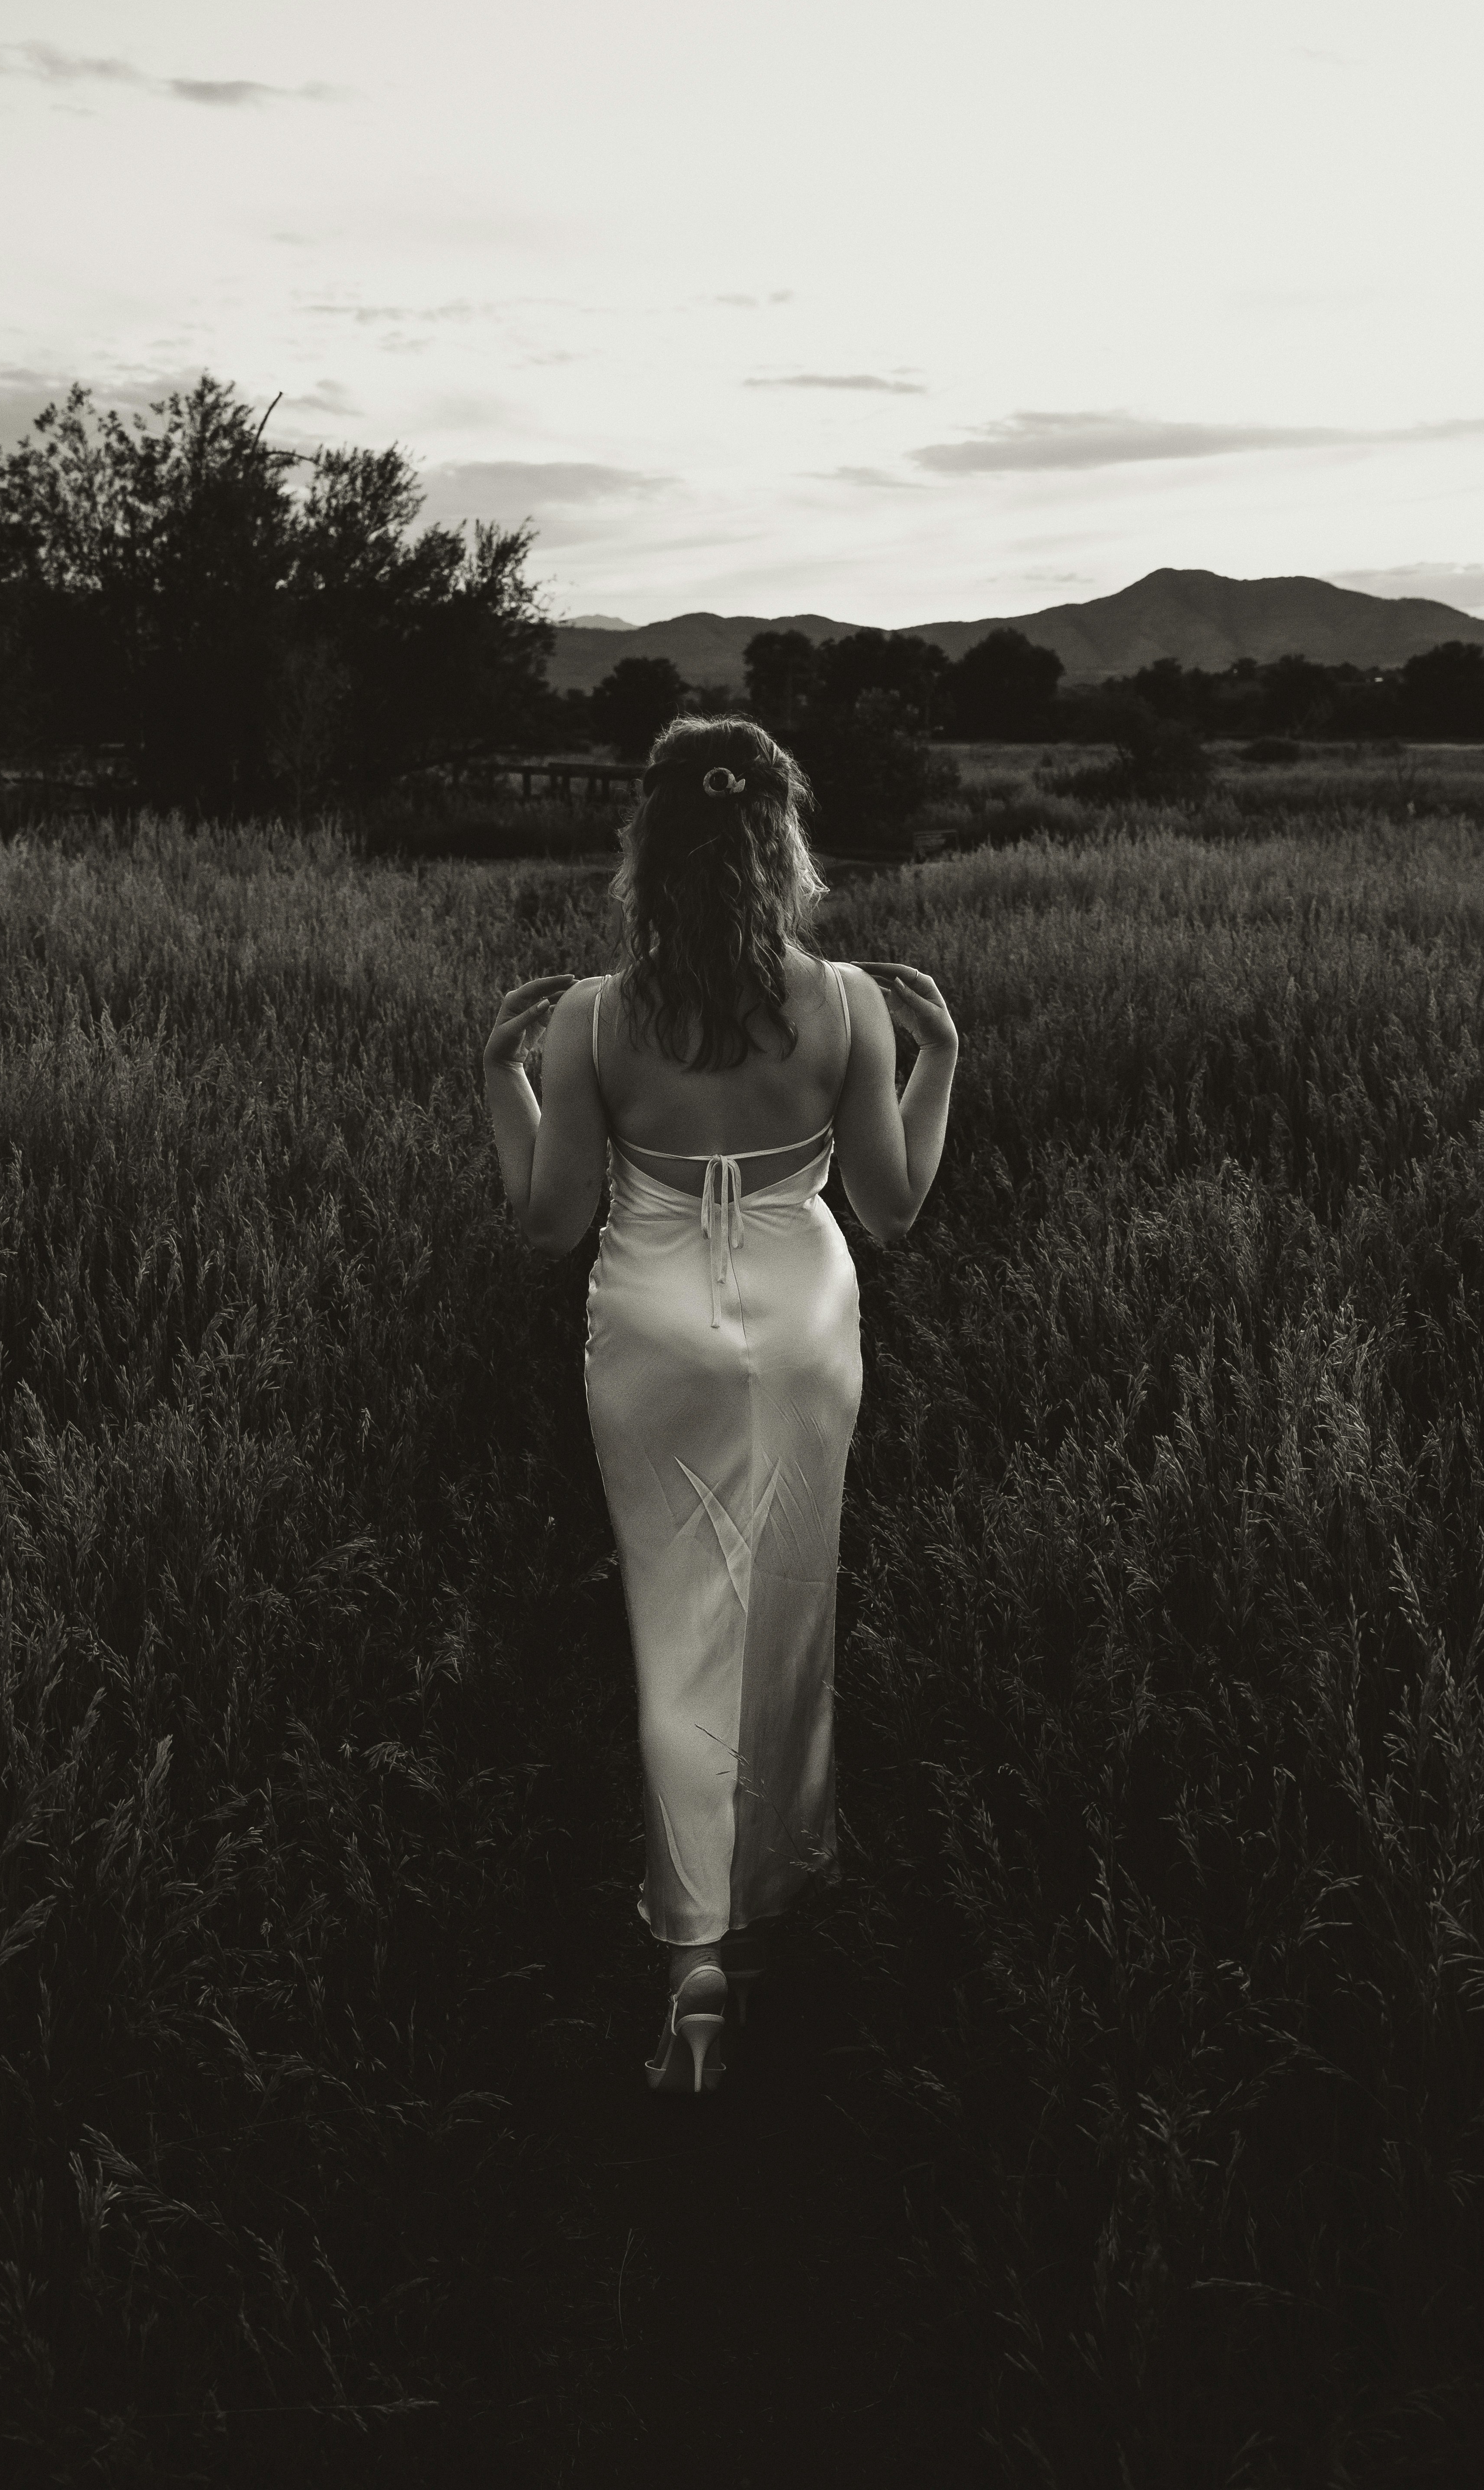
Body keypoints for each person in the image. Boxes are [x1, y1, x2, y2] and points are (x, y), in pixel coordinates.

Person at [482, 714, 958, 2093]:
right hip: (803, 1327)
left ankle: (689, 1957)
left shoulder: (593, 1015)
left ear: (650, 845)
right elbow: (895, 1207)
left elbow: (547, 1221)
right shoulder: (851, 1002)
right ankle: (769, 1911)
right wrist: (942, 1061)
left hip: (652, 1331)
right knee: (789, 1603)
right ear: (783, 840)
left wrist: (499, 1080)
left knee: (676, 1616)